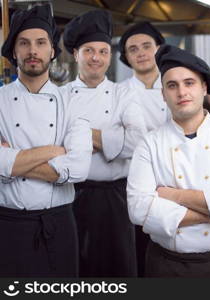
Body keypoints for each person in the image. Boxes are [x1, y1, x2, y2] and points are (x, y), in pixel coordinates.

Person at [127, 44, 210, 277]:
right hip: (164, 265)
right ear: (163, 94)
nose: (181, 92)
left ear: (204, 87)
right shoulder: (149, 144)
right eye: (172, 85)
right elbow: (139, 209)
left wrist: (175, 196)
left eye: (189, 83)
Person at [0, 4, 92, 277]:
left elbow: (78, 169)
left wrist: (12, 162)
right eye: (24, 43)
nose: (32, 51)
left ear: (52, 51)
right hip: (8, 225)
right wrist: (53, 151)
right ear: (14, 52)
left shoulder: (72, 100)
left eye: (41, 43)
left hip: (59, 223)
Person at [62, 10, 146, 277]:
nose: (96, 58)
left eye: (102, 51)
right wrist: (110, 137)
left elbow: (137, 142)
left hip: (115, 198)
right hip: (69, 196)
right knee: (75, 267)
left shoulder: (124, 93)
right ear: (76, 54)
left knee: (117, 266)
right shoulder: (59, 96)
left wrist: (77, 134)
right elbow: (51, 144)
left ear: (109, 57)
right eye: (88, 50)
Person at [118, 21, 169, 276]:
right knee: (137, 257)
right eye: (133, 49)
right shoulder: (119, 93)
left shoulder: (176, 86)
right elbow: (116, 142)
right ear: (126, 57)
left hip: (175, 186)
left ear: (158, 48)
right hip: (134, 187)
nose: (141, 53)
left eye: (146, 46)